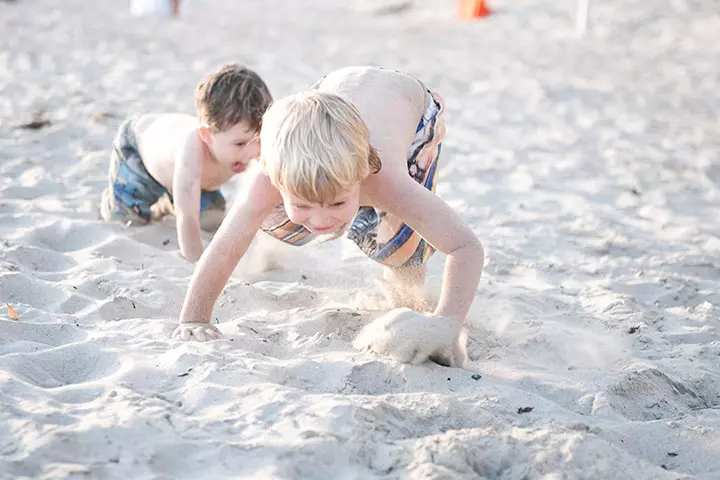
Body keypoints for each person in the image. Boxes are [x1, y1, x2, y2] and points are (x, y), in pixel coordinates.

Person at [173, 66, 484, 363]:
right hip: (332, 93)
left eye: (336, 203)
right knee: (258, 216)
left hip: (411, 107)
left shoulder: (387, 179)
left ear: (363, 174)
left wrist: (446, 322)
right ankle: (328, 205)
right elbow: (226, 247)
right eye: (304, 204)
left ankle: (391, 259)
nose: (321, 221)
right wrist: (194, 317)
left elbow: (465, 247)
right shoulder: (270, 173)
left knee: (402, 247)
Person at [100, 63, 272, 261]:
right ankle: (113, 202)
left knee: (211, 219)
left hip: (196, 183)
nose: (252, 152)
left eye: (258, 139)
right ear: (207, 136)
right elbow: (187, 220)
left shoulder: (234, 144)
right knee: (130, 218)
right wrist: (196, 263)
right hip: (139, 153)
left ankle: (170, 200)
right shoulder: (190, 156)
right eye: (240, 143)